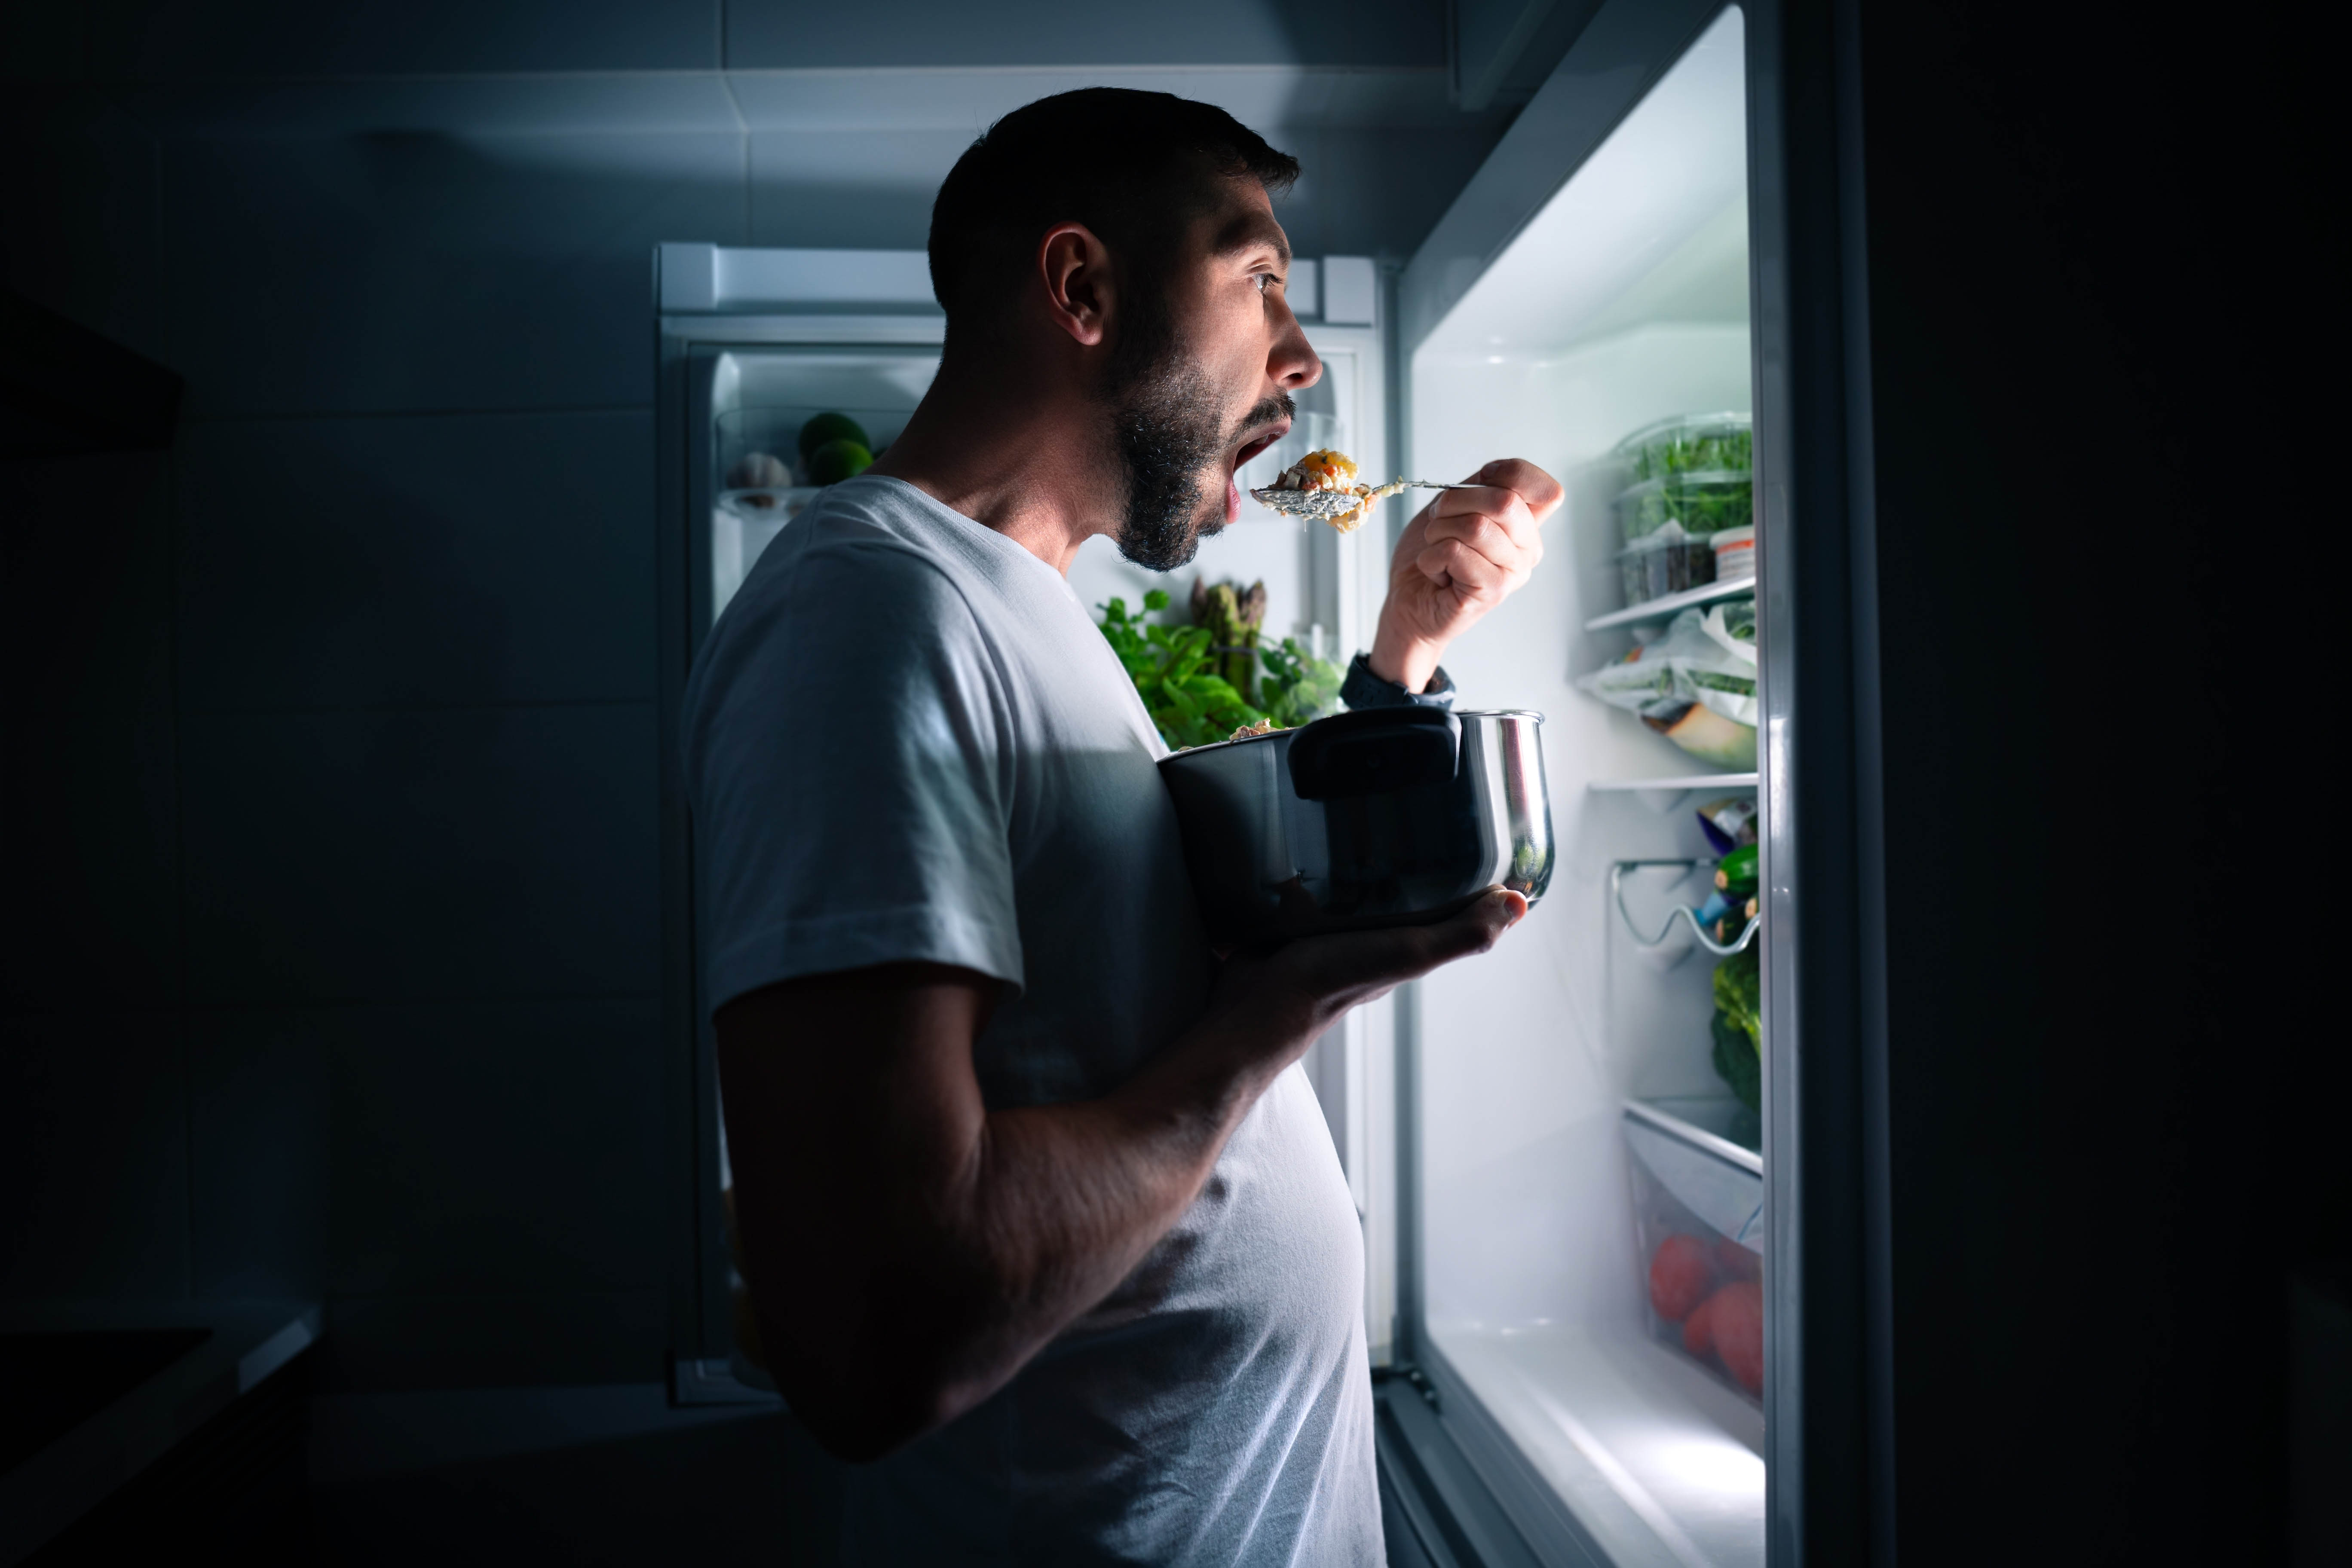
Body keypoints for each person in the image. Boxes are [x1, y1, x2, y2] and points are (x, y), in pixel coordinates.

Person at [683, 88, 1561, 1565]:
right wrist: (1280, 1015)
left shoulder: (1023, 608)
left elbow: (1128, 990)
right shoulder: (868, 615)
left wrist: (1406, 649)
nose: (1302, 356)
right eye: (1260, 280)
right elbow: (871, 1340)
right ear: (1083, 288)